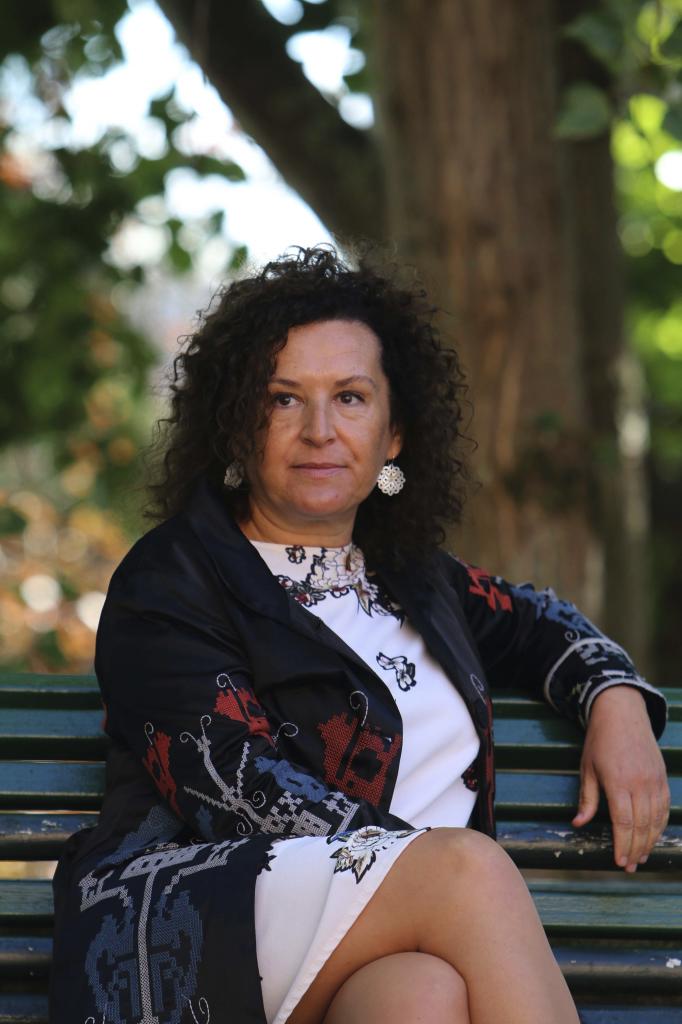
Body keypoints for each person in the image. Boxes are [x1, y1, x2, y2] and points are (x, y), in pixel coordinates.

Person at [49, 245, 670, 1024]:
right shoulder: (173, 581)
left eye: (349, 397)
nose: (319, 430)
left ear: (395, 433)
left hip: (394, 942)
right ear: (238, 422)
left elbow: (540, 622)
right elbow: (238, 790)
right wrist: (429, 873)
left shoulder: (417, 579)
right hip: (195, 928)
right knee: (465, 873)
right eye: (282, 399)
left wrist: (614, 696)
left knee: (421, 996)